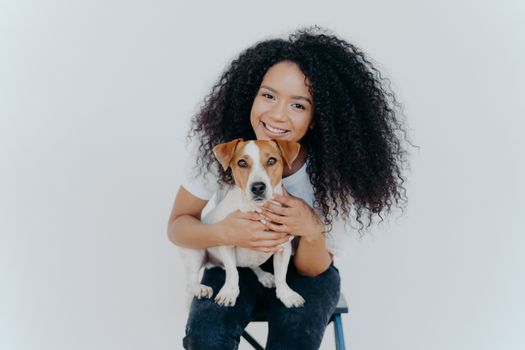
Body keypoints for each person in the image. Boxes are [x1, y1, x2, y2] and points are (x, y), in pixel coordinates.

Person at [167, 26, 409, 350]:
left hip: (305, 269)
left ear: (318, 116)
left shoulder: (338, 169)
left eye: (298, 105)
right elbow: (178, 227)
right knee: (206, 337)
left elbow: (313, 268)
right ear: (249, 94)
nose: (277, 114)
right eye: (268, 95)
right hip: (234, 261)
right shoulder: (226, 149)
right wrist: (225, 233)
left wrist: (310, 229)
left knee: (295, 340)